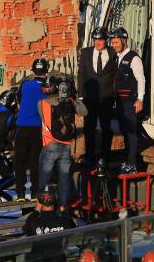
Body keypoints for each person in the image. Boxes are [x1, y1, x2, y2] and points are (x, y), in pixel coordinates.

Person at [40, 77, 87, 209]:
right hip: (66, 145)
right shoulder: (70, 101)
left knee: (44, 179)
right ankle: (63, 208)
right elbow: (84, 112)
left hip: (50, 143)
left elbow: (42, 117)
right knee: (64, 178)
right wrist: (73, 97)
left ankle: (42, 208)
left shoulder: (42, 102)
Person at [109, 27, 146, 174]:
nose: (114, 45)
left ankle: (132, 164)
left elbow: (141, 79)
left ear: (124, 41)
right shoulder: (117, 58)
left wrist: (140, 99)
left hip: (130, 102)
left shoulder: (134, 58)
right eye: (112, 42)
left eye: (116, 42)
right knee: (124, 132)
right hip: (120, 102)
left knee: (131, 133)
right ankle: (127, 162)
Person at [79, 26, 117, 163]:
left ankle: (105, 156)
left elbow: (116, 75)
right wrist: (81, 96)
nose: (98, 43)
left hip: (107, 98)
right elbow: (82, 75)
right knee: (89, 128)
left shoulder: (113, 53)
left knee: (106, 127)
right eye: (95, 40)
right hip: (90, 98)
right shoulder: (86, 53)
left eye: (100, 40)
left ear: (106, 40)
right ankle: (89, 156)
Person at [15, 57, 51, 201]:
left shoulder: (24, 84)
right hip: (37, 127)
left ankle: (20, 193)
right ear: (46, 71)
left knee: (20, 161)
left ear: (34, 71)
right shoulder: (48, 87)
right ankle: (35, 192)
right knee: (35, 161)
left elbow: (19, 98)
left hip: (22, 125)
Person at [22, 186, 77, 262]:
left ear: (39, 201)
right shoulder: (63, 221)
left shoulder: (35, 222)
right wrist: (63, 211)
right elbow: (73, 228)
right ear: (56, 200)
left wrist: (36, 210)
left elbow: (26, 229)